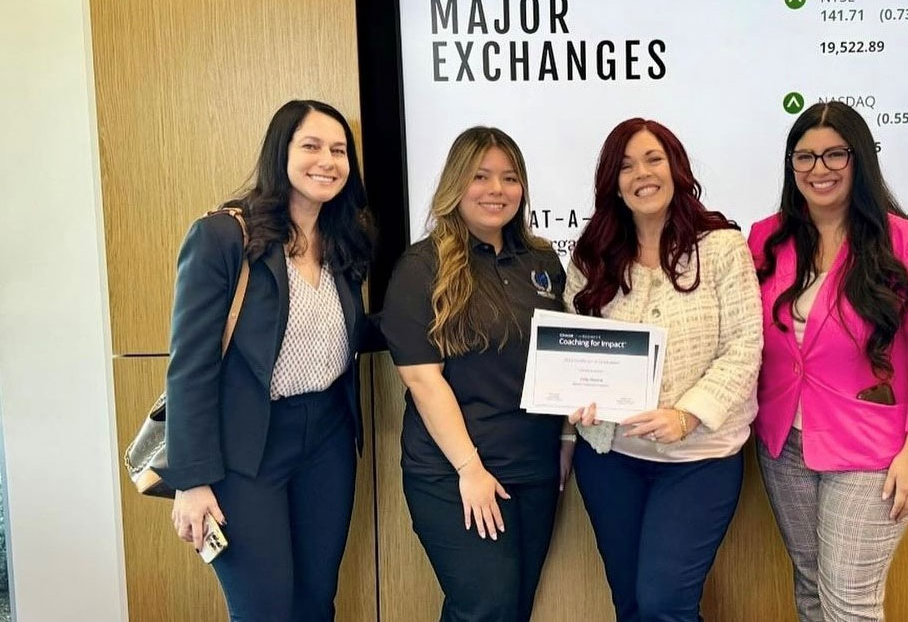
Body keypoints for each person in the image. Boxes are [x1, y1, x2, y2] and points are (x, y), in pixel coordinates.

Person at [161, 99, 380, 621]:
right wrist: (190, 482)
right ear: (280, 152)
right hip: (246, 449)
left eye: (338, 150)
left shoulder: (345, 239)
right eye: (311, 146)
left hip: (327, 440)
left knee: (314, 603)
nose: (327, 161)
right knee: (264, 608)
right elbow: (190, 365)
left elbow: (343, 333)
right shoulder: (222, 236)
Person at [748, 101, 908, 622]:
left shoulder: (906, 244)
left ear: (859, 159)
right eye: (805, 157)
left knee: (851, 601)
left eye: (834, 155)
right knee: (812, 588)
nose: (819, 170)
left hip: (871, 451)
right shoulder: (766, 238)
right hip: (784, 444)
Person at [566, 118, 763, 622]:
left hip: (699, 460)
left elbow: (744, 346)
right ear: (612, 181)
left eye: (653, 159)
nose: (642, 174)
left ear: (676, 167)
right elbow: (574, 347)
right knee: (631, 604)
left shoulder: (721, 247)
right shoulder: (592, 256)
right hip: (611, 459)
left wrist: (688, 415)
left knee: (664, 604)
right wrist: (577, 398)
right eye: (626, 165)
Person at [380, 127, 571, 622]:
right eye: (481, 176)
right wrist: (470, 469)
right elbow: (424, 380)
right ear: (455, 184)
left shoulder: (542, 260)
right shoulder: (422, 266)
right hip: (455, 472)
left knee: (514, 608)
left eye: (510, 178)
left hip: (534, 467)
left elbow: (563, 359)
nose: (497, 189)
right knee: (486, 608)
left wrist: (568, 441)